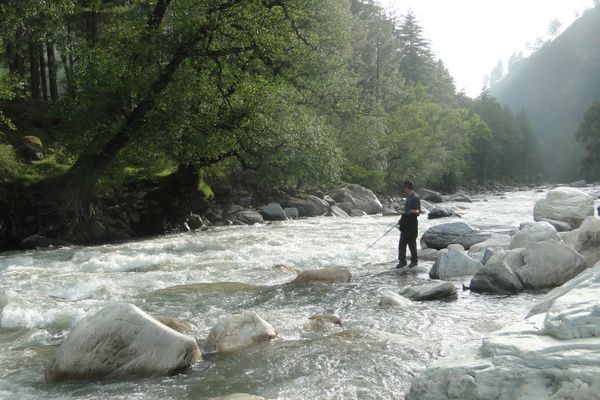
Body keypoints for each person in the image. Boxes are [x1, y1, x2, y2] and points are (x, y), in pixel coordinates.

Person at [397, 180, 421, 269]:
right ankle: (402, 261)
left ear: (407, 187)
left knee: (412, 243)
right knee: (402, 243)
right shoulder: (408, 197)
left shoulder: (415, 197)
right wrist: (401, 220)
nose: (404, 189)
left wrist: (414, 211)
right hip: (405, 222)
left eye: (405, 187)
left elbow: (418, 211)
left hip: (412, 222)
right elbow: (406, 211)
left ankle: (414, 261)